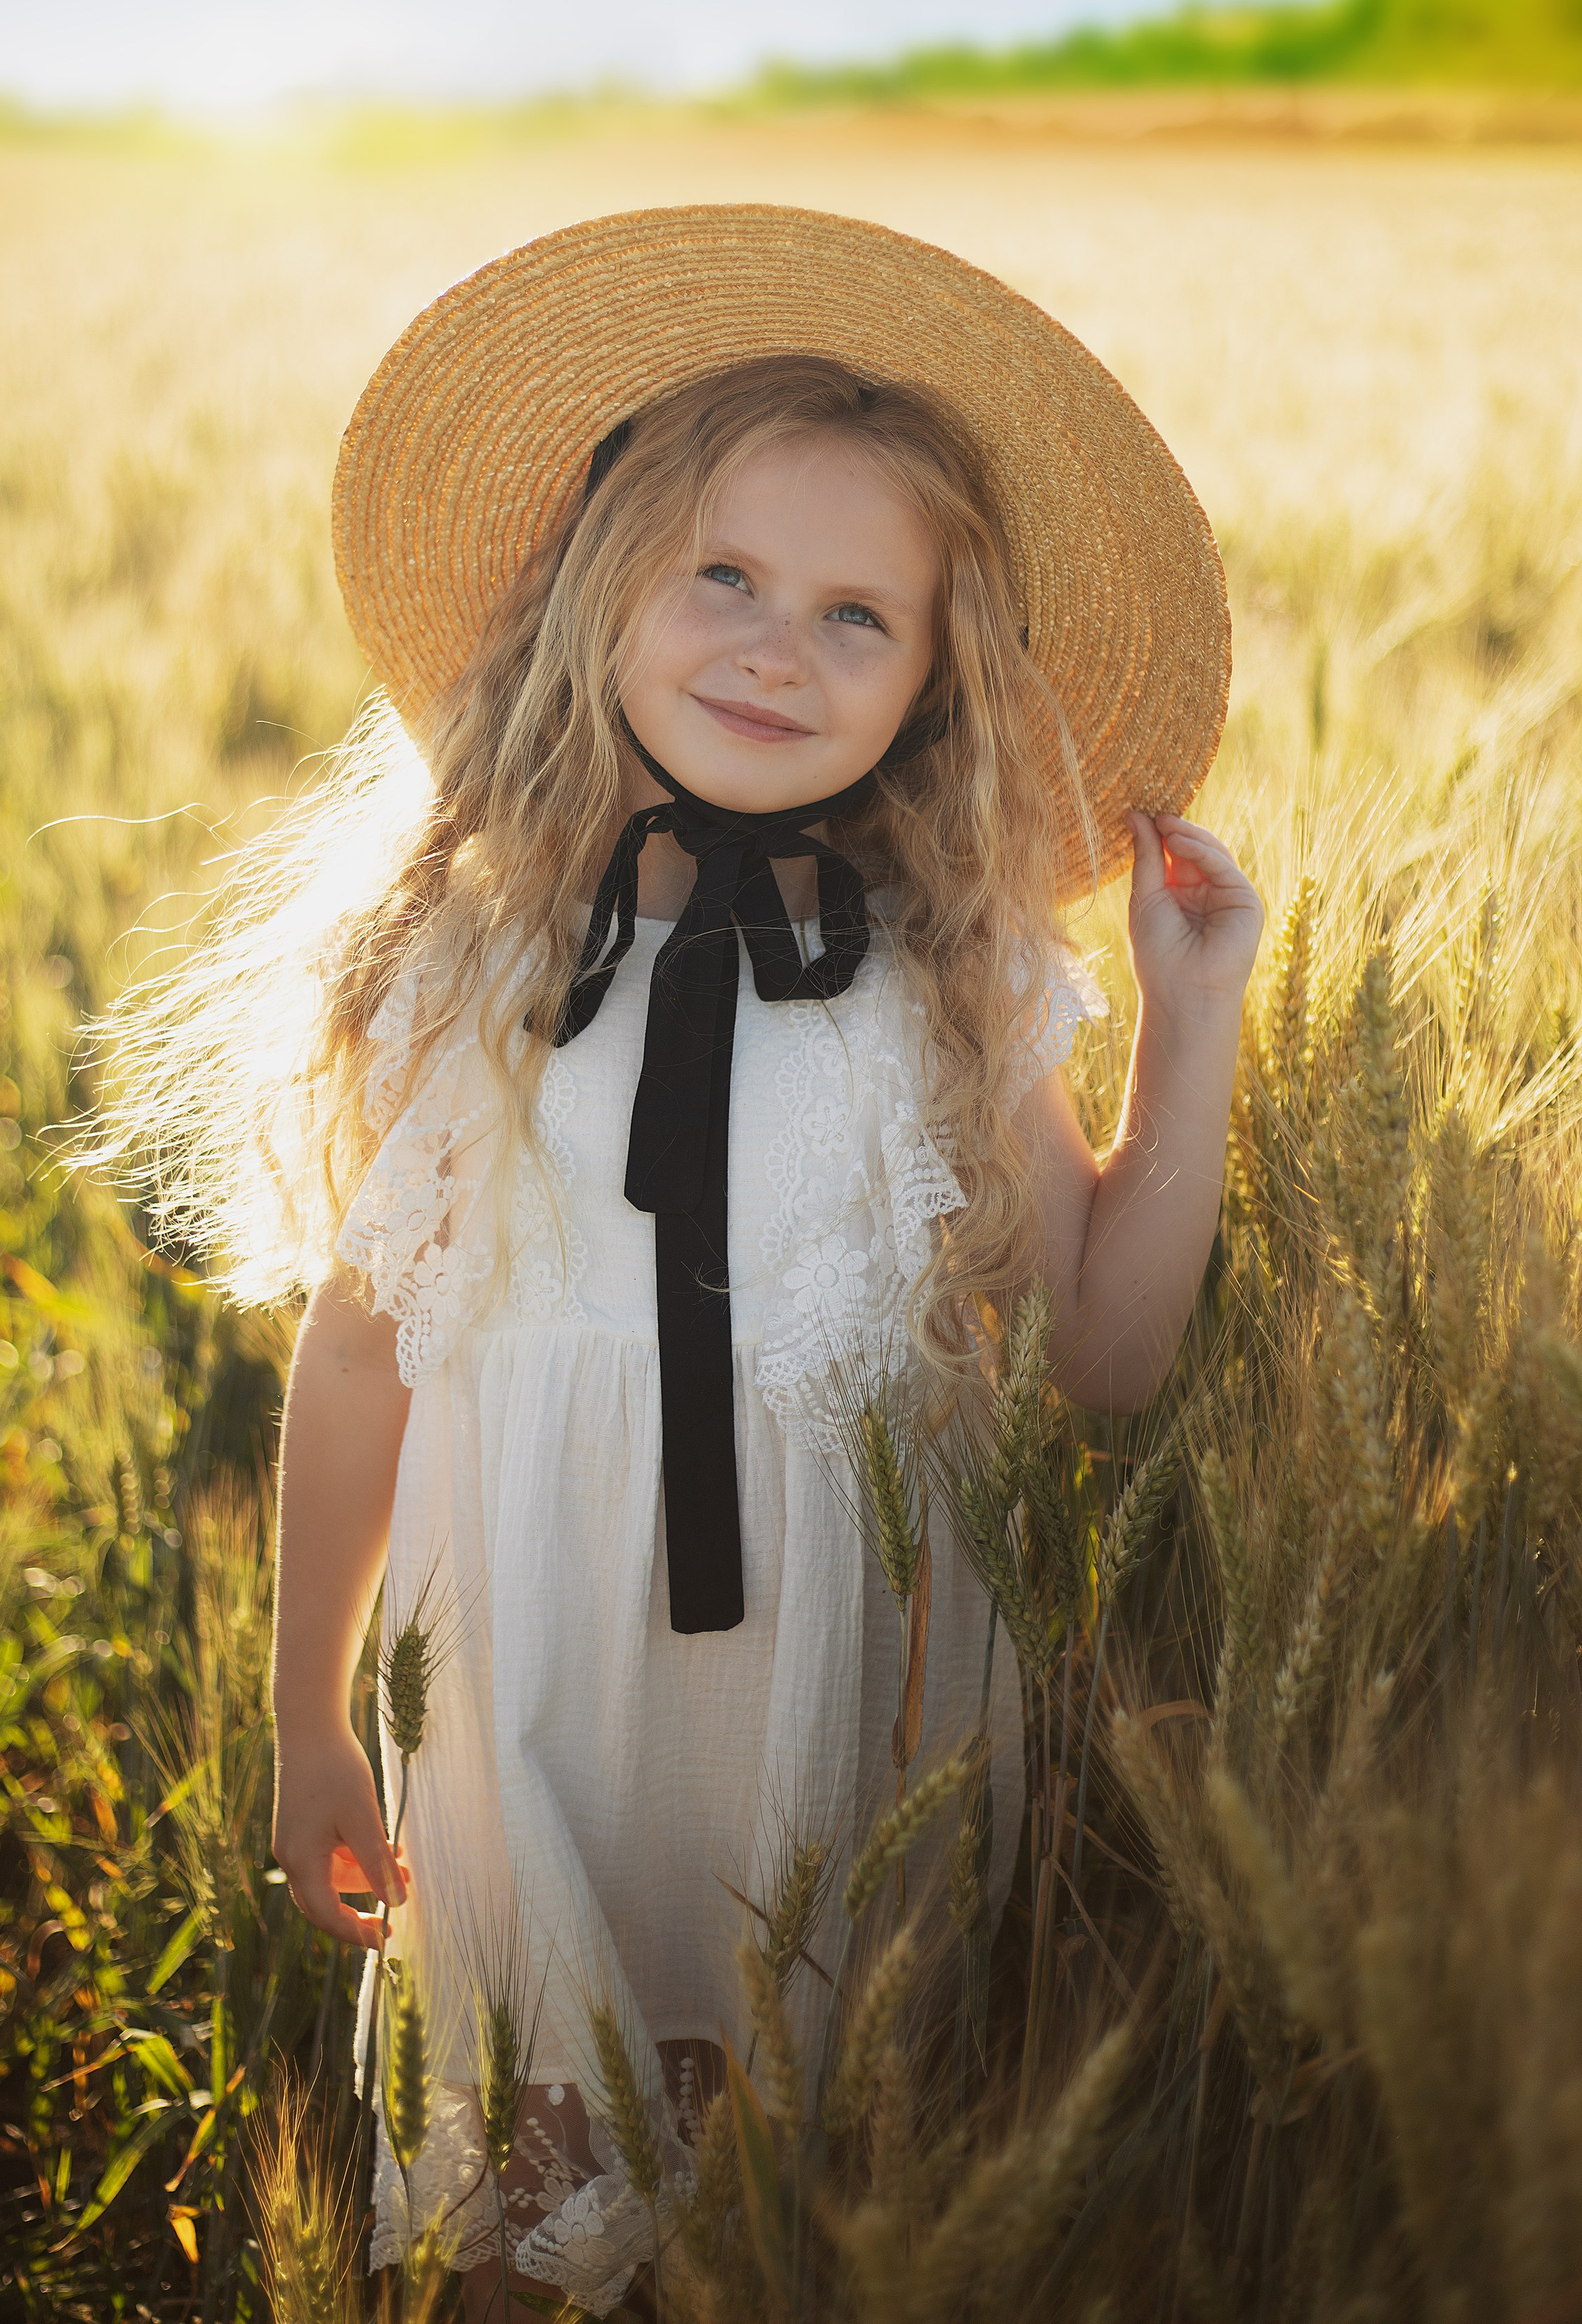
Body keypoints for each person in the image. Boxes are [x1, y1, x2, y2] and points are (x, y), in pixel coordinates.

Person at [100, 205, 1261, 2311]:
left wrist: (1193, 1027)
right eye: (720, 573)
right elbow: (363, 1363)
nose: (770, 646)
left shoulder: (955, 979)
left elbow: (1101, 1356)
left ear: (930, 686)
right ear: (594, 584)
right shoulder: (471, 966)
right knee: (525, 2230)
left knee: (809, 2214)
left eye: (853, 614)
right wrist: (302, 1720)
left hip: (855, 1713)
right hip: (529, 1683)